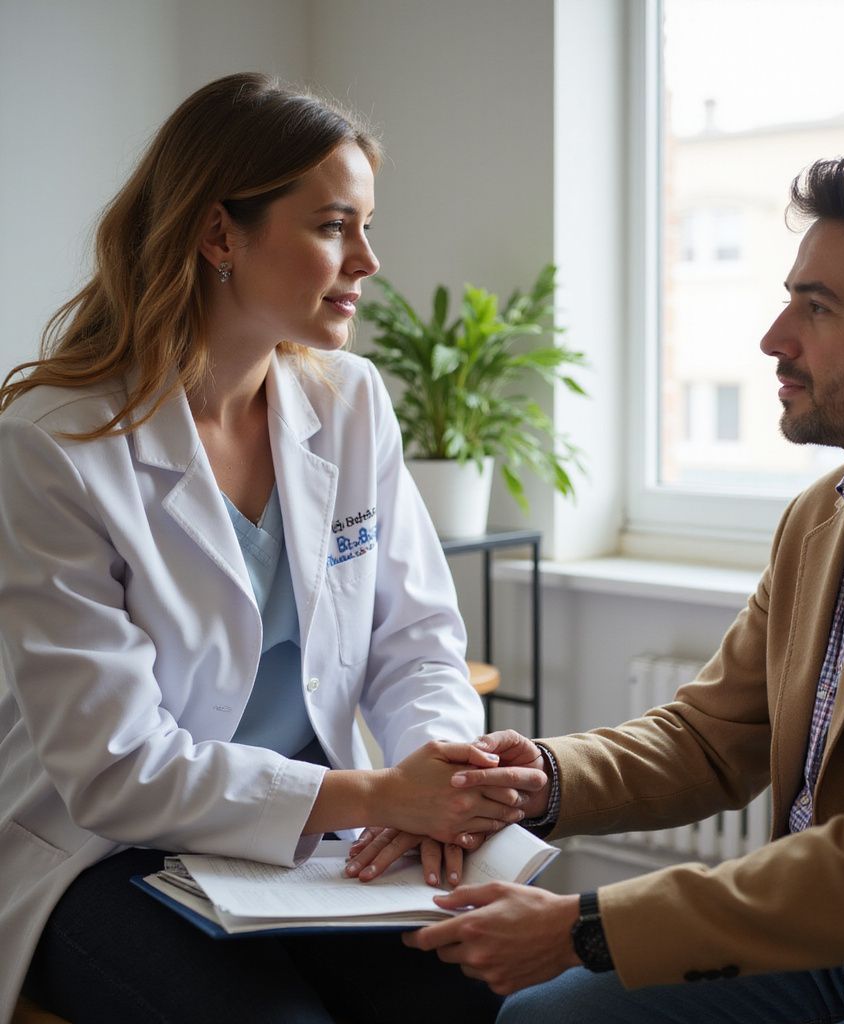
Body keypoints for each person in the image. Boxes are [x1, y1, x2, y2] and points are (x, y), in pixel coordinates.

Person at [356, 153, 844, 1022]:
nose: (775, 338)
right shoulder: (825, 516)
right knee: (536, 1020)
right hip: (815, 947)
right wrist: (542, 781)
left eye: (816, 308)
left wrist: (583, 928)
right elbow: (711, 738)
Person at [0, 72, 543, 1024]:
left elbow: (415, 637)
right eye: (335, 226)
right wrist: (376, 790)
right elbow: (115, 768)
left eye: (367, 226)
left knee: (470, 991)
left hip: (303, 842)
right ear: (219, 236)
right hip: (101, 855)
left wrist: (439, 781)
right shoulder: (52, 444)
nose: (369, 260)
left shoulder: (349, 400)